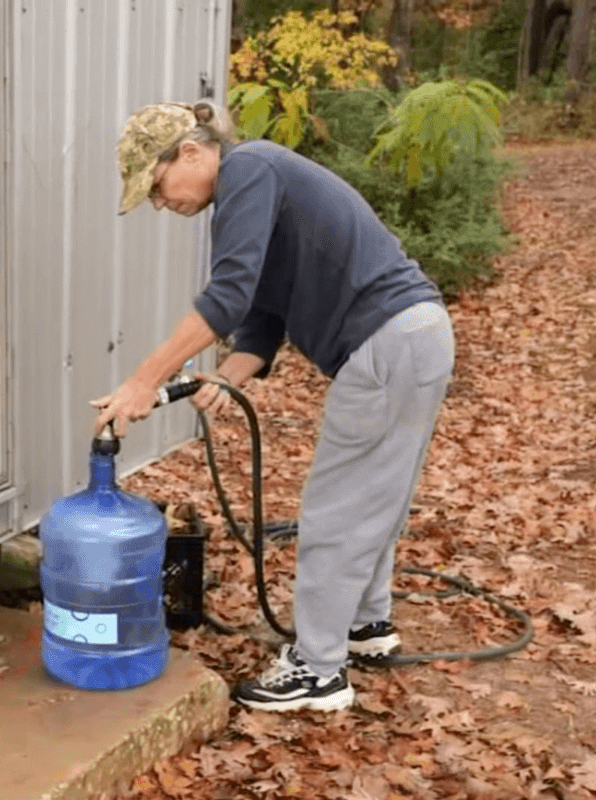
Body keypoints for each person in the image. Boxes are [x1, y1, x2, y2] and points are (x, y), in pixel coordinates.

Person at [92, 101, 454, 713]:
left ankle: (318, 671)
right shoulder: (253, 180)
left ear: (190, 153)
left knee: (337, 510)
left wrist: (143, 381)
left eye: (156, 187)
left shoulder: (249, 169)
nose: (160, 203)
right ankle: (365, 626)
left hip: (388, 342)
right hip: (415, 336)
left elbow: (227, 295)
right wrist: (228, 377)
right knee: (375, 497)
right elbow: (260, 309)